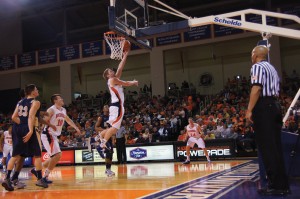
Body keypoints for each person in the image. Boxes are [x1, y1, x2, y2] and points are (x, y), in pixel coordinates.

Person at [245, 45, 290, 196]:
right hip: (275, 106)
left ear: (255, 54)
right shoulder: (272, 68)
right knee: (275, 147)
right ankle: (280, 184)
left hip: (264, 107)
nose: (251, 56)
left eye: (252, 53)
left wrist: (249, 109)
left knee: (268, 148)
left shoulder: (257, 67)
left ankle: (277, 186)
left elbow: (256, 89)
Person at [2, 84, 48, 191]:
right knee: (37, 154)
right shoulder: (35, 102)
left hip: (17, 128)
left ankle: (8, 178)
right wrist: (30, 129)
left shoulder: (19, 102)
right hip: (29, 128)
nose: (37, 91)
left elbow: (13, 117)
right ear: (32, 92)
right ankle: (40, 179)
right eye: (36, 89)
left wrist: (22, 123)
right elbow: (31, 116)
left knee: (16, 155)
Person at [97, 46, 138, 152]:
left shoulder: (113, 79)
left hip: (116, 106)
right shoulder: (112, 80)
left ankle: (98, 137)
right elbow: (125, 83)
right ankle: (102, 144)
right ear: (107, 75)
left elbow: (120, 68)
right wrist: (133, 82)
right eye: (110, 71)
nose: (112, 71)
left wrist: (125, 55)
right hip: (117, 105)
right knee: (114, 129)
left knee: (113, 129)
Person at [34, 94, 80, 184]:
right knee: (57, 155)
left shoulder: (63, 110)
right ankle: (44, 176)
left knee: (55, 157)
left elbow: (68, 120)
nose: (62, 99)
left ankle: (36, 170)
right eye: (60, 98)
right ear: (55, 101)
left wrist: (76, 127)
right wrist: (38, 133)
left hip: (54, 135)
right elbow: (44, 121)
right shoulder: (51, 110)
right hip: (48, 134)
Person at [89, 105, 115, 177]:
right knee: (108, 152)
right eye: (105, 108)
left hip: (109, 137)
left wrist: (113, 138)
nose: (107, 109)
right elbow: (96, 127)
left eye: (108, 108)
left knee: (111, 153)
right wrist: (105, 131)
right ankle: (107, 170)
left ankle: (108, 169)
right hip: (103, 137)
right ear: (103, 109)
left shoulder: (111, 117)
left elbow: (112, 129)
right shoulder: (101, 117)